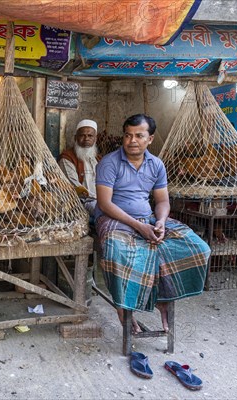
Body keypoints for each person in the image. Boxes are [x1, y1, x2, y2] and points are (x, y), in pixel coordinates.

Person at [95, 114, 210, 334]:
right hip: (113, 218)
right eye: (128, 135)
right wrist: (139, 227)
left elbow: (162, 201)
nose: (132, 140)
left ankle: (163, 300)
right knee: (116, 250)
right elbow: (104, 203)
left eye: (139, 135)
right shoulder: (109, 162)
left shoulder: (156, 164)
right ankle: (123, 308)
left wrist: (160, 222)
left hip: (147, 218)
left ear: (150, 139)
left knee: (197, 247)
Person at [58, 119, 100, 214]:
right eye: (82, 135)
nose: (86, 139)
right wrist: (99, 198)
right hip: (81, 201)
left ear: (95, 138)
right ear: (75, 138)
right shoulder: (67, 158)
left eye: (90, 136)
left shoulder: (98, 159)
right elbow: (74, 185)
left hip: (102, 200)